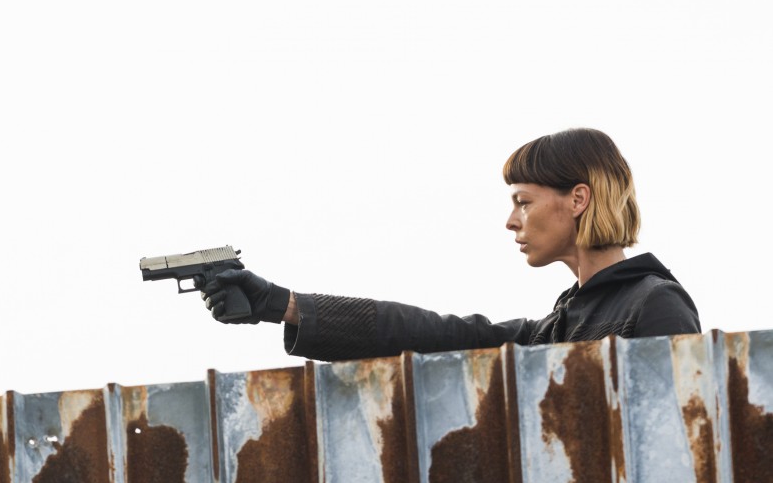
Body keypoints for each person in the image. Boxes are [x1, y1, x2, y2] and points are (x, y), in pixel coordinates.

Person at [200, 128, 700, 361]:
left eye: (523, 202)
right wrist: (281, 304)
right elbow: (430, 333)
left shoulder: (655, 303)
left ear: (578, 199)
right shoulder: (559, 325)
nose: (511, 220)